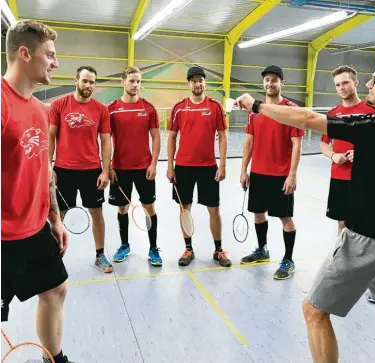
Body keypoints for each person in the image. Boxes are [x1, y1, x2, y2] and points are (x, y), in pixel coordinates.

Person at [235, 56, 375, 363]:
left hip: (365, 240)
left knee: (313, 311)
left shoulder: (373, 126)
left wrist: (256, 106)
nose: (369, 84)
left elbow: (306, 119)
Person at [1, 20, 75, 363]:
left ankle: (53, 358)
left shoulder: (38, 109)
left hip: (34, 230)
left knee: (56, 289)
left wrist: (55, 218)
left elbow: (44, 166)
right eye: (50, 55)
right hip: (3, 237)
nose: (56, 63)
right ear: (24, 53)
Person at [240, 65, 304, 280]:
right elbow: (249, 142)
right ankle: (262, 250)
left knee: (285, 217)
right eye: (267, 80)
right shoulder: (255, 111)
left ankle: (288, 259)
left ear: (282, 83)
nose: (270, 83)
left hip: (281, 175)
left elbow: (297, 144)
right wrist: (244, 170)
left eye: (275, 80)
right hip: (258, 173)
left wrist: (292, 175)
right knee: (258, 213)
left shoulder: (291, 109)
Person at [49, 65, 113, 273]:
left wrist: (105, 170)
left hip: (91, 171)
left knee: (97, 212)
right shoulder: (59, 105)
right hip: (63, 170)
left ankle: (100, 255)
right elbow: (50, 137)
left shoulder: (101, 109)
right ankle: (53, 257)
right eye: (85, 80)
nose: (88, 85)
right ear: (76, 81)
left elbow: (105, 141)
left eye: (92, 82)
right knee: (59, 214)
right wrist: (49, 166)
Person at [167, 66, 231, 268]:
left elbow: (222, 136)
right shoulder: (179, 107)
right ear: (189, 83)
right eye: (194, 80)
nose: (198, 84)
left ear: (205, 82)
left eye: (201, 80)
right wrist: (170, 166)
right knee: (184, 208)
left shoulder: (215, 107)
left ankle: (218, 249)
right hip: (183, 167)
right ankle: (188, 249)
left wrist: (222, 165)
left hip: (208, 167)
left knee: (214, 209)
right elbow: (171, 138)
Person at [107, 66, 162, 266]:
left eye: (138, 81)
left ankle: (153, 248)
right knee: (122, 208)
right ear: (122, 82)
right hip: (119, 169)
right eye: (132, 81)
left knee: (149, 208)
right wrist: (108, 167)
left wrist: (154, 163)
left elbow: (156, 137)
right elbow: (104, 140)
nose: (136, 85)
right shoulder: (112, 109)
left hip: (144, 169)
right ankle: (124, 245)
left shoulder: (148, 108)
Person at [320, 65, 375, 236]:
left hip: (365, 177)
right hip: (340, 177)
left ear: (356, 82)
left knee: (364, 221)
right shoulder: (332, 114)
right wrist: (333, 155)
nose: (341, 88)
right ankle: (342, 259)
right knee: (342, 222)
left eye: (345, 83)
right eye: (337, 85)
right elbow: (324, 144)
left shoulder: (372, 111)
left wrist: (364, 153)